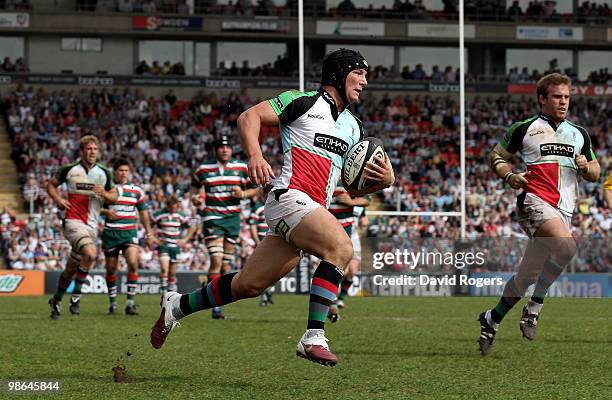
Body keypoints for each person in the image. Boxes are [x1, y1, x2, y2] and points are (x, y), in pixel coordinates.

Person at [151, 48, 395, 366]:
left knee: (248, 285)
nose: (364, 81)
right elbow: (249, 116)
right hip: (289, 199)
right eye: (359, 73)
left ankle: (176, 306)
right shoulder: (304, 101)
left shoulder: (355, 128)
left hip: (309, 209)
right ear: (339, 73)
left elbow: (351, 186)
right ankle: (313, 337)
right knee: (341, 249)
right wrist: (255, 155)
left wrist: (384, 180)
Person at [478, 73, 600, 355]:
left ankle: (492, 319)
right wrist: (509, 176)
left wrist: (586, 166)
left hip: (563, 210)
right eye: (557, 97)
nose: (563, 102)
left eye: (567, 97)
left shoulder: (579, 133)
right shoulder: (524, 128)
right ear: (542, 99)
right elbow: (496, 157)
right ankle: (536, 305)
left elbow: (596, 173)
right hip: (534, 202)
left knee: (526, 276)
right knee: (567, 246)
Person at [47, 135, 118, 319]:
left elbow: (114, 197)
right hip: (73, 222)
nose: (92, 152)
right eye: (89, 149)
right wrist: (58, 199)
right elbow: (51, 185)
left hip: (92, 226)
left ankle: (56, 300)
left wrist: (104, 193)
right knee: (91, 254)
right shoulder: (69, 170)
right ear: (82, 151)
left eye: (95, 149)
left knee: (72, 268)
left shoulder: (104, 173)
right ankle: (76, 297)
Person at [190, 135, 259, 319]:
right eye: (221, 147)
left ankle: (214, 299)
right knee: (216, 261)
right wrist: (195, 198)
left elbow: (256, 188)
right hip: (213, 218)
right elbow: (194, 187)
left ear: (231, 150)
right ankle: (214, 306)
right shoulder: (204, 169)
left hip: (233, 219)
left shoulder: (241, 168)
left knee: (225, 265)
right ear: (216, 150)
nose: (225, 150)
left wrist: (243, 193)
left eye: (227, 147)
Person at [101, 159, 153, 316]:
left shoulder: (136, 190)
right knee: (111, 269)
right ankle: (113, 303)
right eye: (120, 170)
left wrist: (149, 233)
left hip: (129, 233)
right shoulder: (107, 189)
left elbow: (143, 213)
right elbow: (95, 207)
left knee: (132, 263)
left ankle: (130, 303)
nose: (123, 173)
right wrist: (105, 212)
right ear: (115, 172)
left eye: (126, 170)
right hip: (111, 233)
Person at [327, 179, 370, 322]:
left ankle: (339, 299)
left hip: (351, 232)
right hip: (329, 228)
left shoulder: (351, 179)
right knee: (340, 269)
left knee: (353, 270)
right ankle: (332, 302)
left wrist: (351, 203)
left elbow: (366, 200)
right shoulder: (327, 176)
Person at [151, 195, 197, 295]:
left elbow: (193, 226)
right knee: (164, 269)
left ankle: (171, 294)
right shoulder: (159, 214)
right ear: (167, 206)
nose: (174, 209)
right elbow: (148, 226)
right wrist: (154, 239)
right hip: (164, 246)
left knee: (172, 272)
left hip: (175, 247)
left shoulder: (181, 215)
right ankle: (163, 292)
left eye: (176, 207)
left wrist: (185, 239)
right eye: (172, 207)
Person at [248, 185, 274, 306]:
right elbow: (252, 226)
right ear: (263, 195)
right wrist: (257, 241)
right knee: (264, 271)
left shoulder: (277, 205)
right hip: (262, 242)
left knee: (273, 271)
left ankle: (269, 293)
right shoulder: (258, 208)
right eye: (267, 194)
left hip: (274, 242)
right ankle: (265, 297)